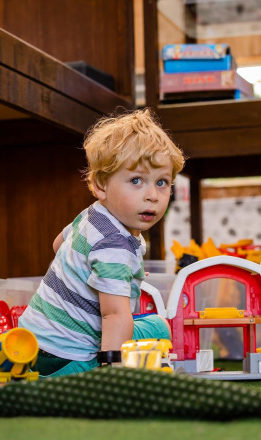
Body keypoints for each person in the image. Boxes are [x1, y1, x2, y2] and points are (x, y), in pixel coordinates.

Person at [17, 108, 186, 377]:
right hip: (68, 358)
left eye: (162, 182)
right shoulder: (115, 245)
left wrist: (109, 272)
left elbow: (58, 245)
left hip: (29, 346)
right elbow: (114, 316)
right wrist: (113, 373)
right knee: (158, 327)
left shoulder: (92, 214)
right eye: (137, 180)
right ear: (101, 185)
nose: (153, 195)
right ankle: (99, 374)